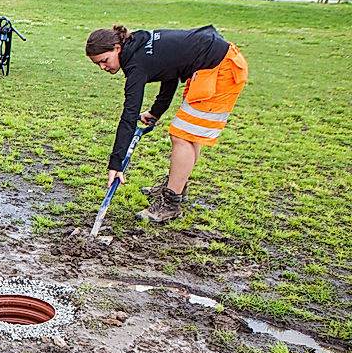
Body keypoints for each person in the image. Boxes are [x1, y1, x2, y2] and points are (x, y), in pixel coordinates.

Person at [85, 24, 248, 223]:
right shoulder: (138, 44)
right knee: (187, 134)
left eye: (104, 60)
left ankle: (171, 202)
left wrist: (116, 164)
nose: (103, 67)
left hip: (221, 68)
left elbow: (129, 116)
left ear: (117, 48)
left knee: (183, 135)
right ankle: (176, 186)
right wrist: (155, 112)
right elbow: (170, 73)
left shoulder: (137, 65)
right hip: (209, 63)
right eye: (97, 64)